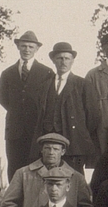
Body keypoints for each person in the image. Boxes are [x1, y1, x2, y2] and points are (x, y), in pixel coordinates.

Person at [34, 41, 101, 172]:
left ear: (72, 61)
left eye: (67, 58)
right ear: (53, 60)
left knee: (73, 176)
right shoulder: (44, 85)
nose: (63, 62)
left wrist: (78, 132)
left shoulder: (82, 84)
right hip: (50, 140)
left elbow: (93, 116)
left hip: (74, 142)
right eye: (59, 58)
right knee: (48, 176)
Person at [0, 30, 54, 179]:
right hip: (14, 131)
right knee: (15, 168)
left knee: (37, 168)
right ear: (18, 47)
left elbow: (50, 101)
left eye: (31, 47)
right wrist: (18, 113)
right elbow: (3, 99)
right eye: (24, 46)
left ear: (37, 49)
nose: (27, 50)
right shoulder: (7, 73)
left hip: (37, 130)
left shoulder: (46, 73)